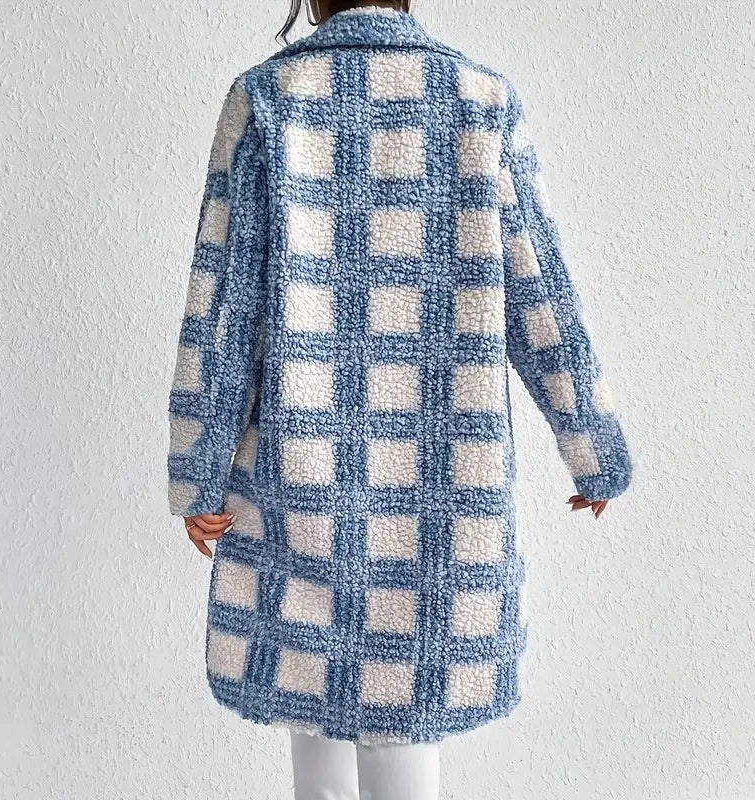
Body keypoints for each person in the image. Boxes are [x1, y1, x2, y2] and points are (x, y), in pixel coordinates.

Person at [166, 1, 633, 798]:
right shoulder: (481, 101)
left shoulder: (268, 98)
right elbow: (541, 293)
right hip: (443, 484)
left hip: (299, 471)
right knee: (407, 715)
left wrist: (197, 477)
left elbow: (222, 309)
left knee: (310, 704)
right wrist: (594, 447)